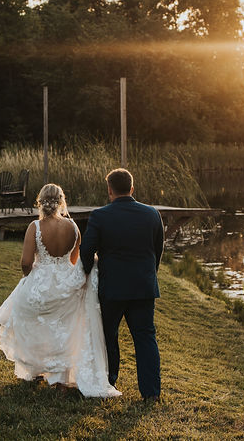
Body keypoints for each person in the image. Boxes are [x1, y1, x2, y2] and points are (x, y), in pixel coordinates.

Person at [0, 183, 120, 398]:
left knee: (32, 323)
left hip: (40, 282)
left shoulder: (35, 226)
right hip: (66, 284)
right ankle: (61, 379)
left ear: (40, 202)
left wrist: (33, 273)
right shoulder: (73, 227)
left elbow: (25, 263)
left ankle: (34, 371)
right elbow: (73, 260)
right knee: (64, 328)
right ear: (62, 201)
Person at [80, 168, 165, 401]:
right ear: (132, 188)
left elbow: (86, 249)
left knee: (109, 335)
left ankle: (109, 382)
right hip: (143, 286)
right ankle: (151, 394)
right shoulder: (152, 214)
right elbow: (157, 249)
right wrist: (149, 274)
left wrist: (87, 272)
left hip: (113, 288)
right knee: (146, 337)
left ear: (109, 190)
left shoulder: (100, 216)